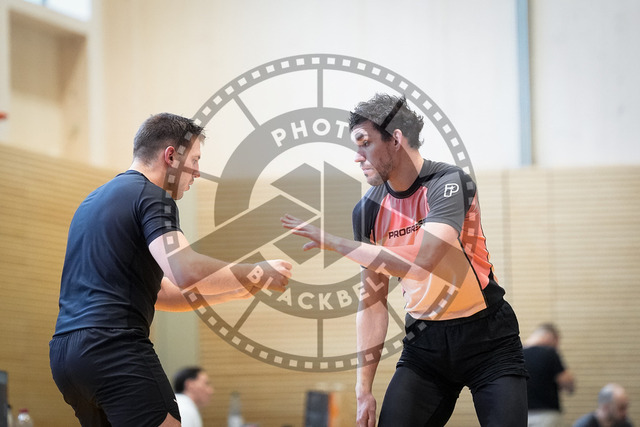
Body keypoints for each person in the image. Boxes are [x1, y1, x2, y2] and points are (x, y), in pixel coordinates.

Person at [281, 93, 528, 426]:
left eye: (365, 143)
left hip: (487, 337)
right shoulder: (367, 210)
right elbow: (372, 302)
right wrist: (363, 388)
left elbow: (425, 260)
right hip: (425, 345)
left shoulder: (449, 183)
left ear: (395, 139)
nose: (357, 156)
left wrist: (337, 244)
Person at [49, 113, 292, 427]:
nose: (198, 172)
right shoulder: (153, 196)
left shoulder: (91, 202)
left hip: (67, 356)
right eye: (195, 160)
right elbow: (184, 269)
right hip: (113, 346)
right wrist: (257, 271)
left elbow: (162, 292)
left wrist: (236, 289)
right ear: (171, 156)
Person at [524, 323, 575, 427]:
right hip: (547, 416)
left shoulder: (515, 355)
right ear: (550, 337)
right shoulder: (549, 352)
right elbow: (568, 384)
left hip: (521, 415)